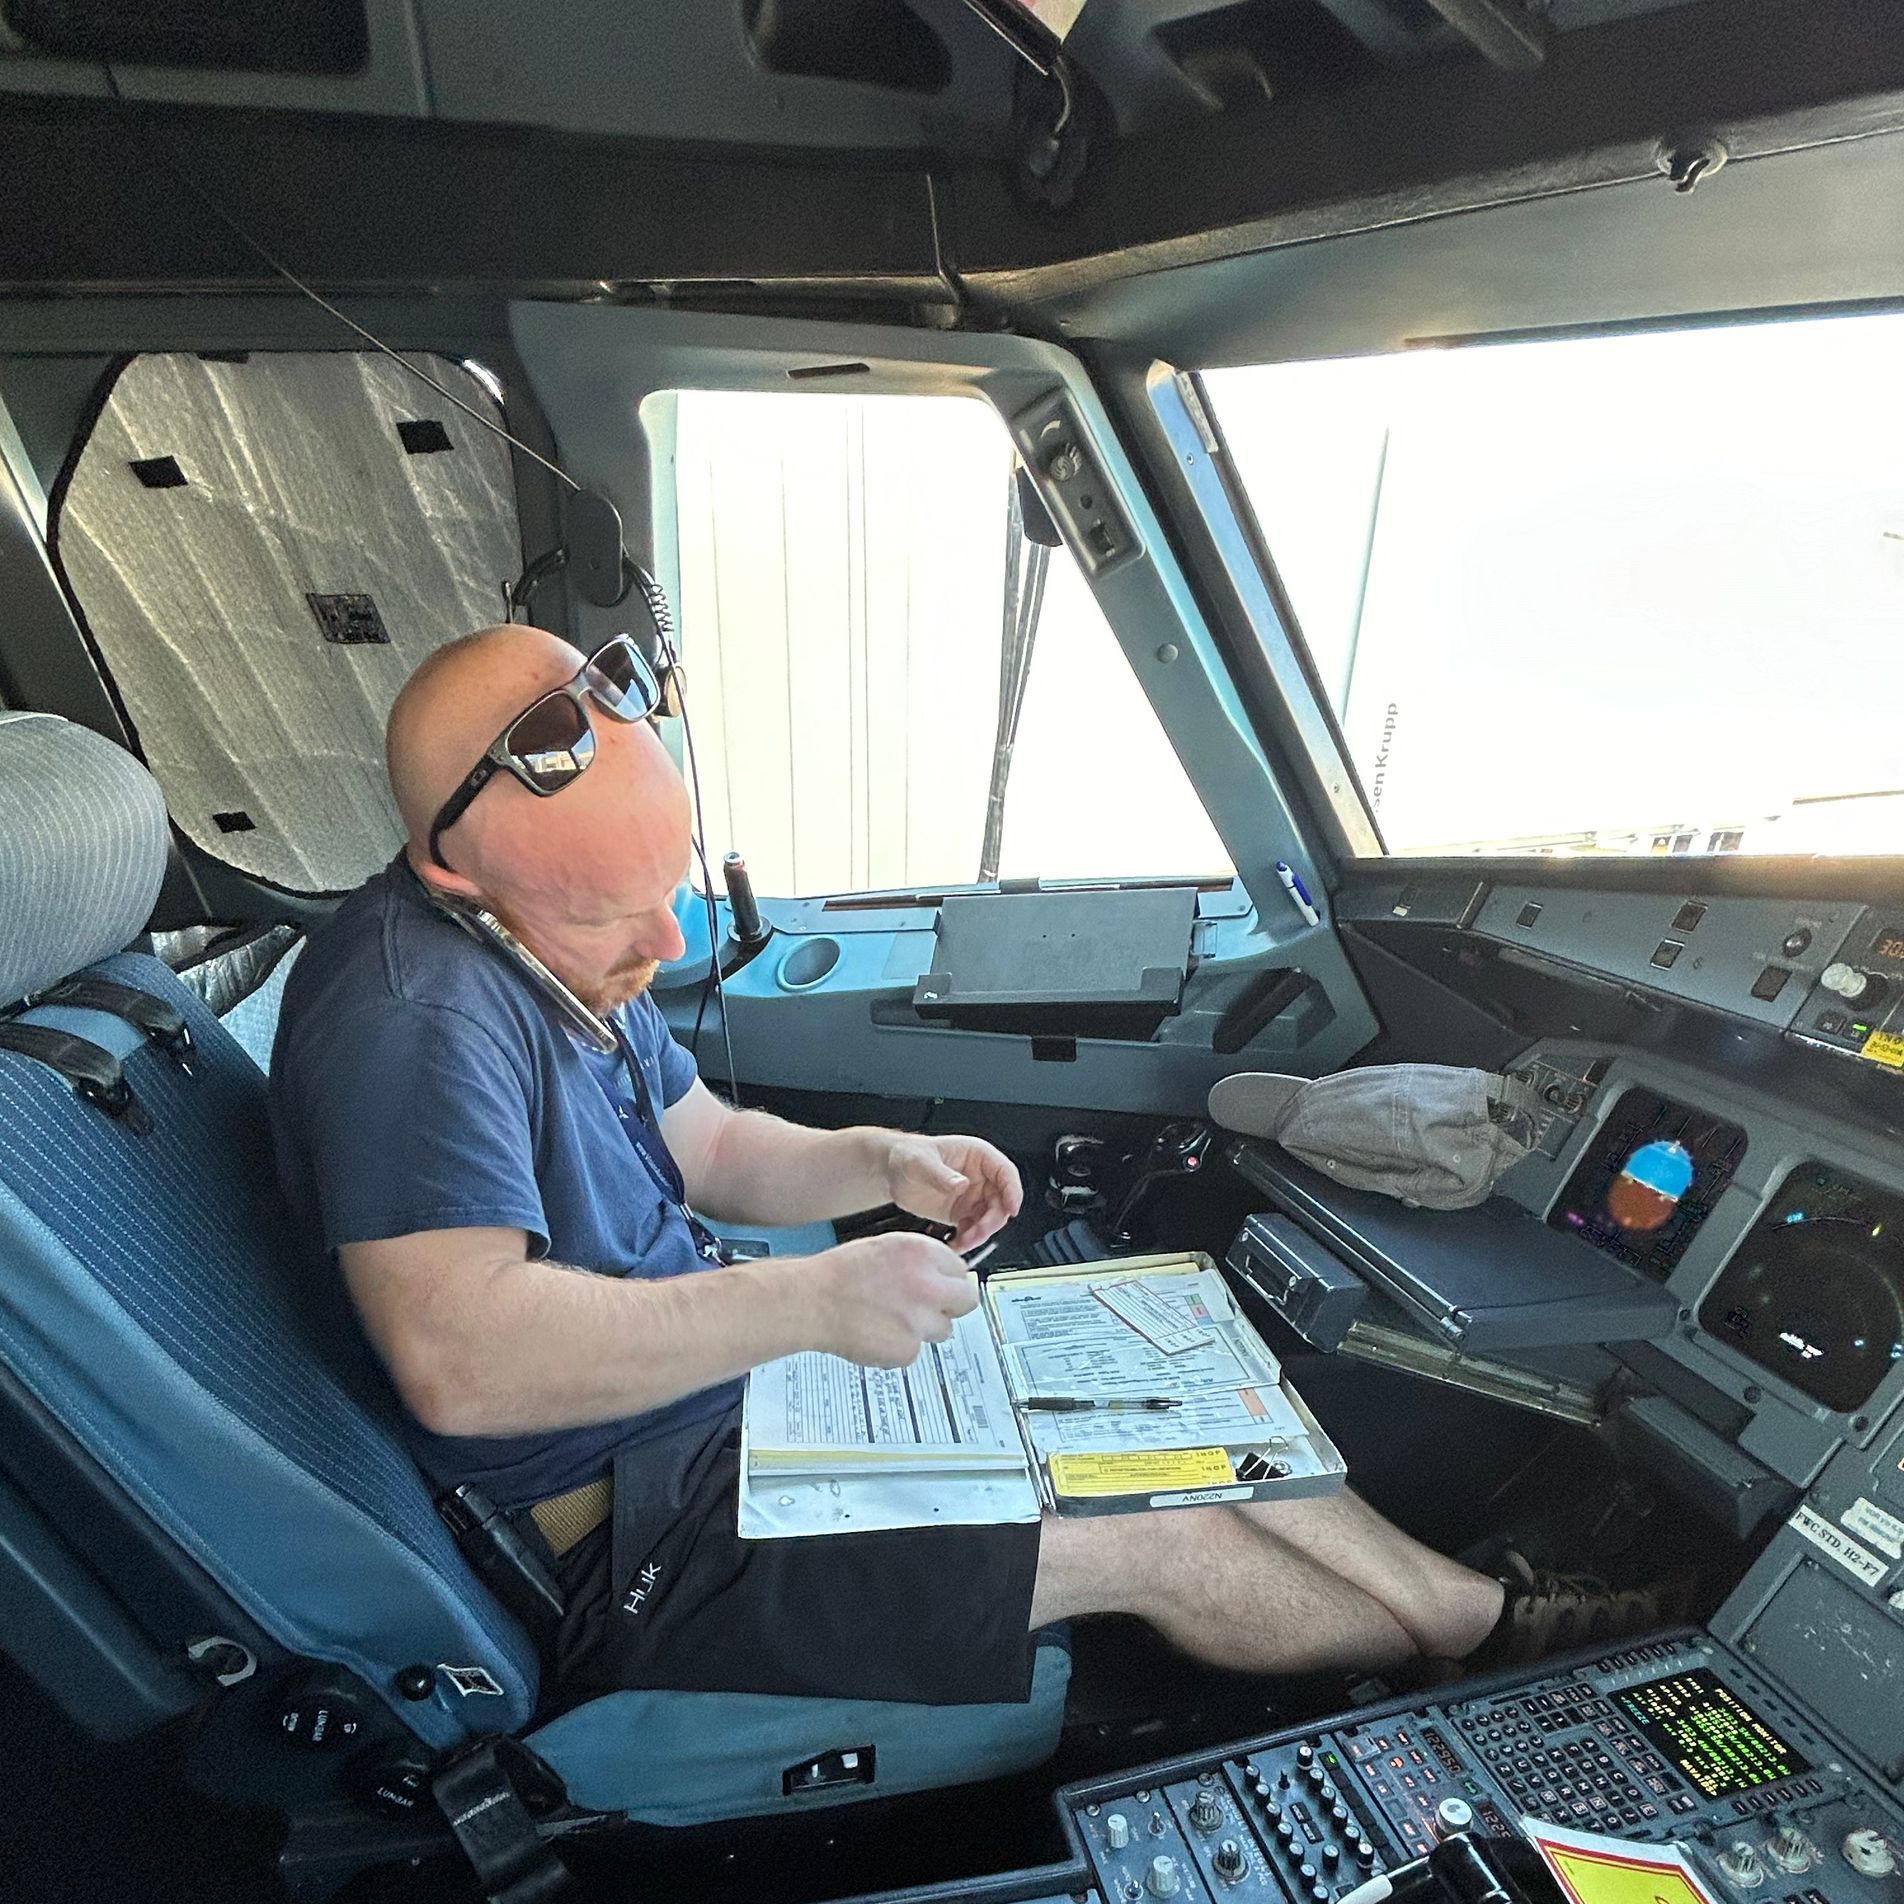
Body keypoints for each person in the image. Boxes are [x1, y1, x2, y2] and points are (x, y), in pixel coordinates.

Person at [269, 624, 1659, 1714]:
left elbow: (706, 1148)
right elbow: (464, 1359)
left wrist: (885, 1159)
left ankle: (1484, 1627)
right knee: (1161, 1531)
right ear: (462, 884)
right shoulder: (413, 1017)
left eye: (671, 884)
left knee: (1165, 1384)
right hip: (640, 1532)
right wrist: (804, 1307)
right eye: (615, 915)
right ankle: (1494, 1666)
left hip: (716, 1411)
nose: (670, 944)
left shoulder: (551, 935)